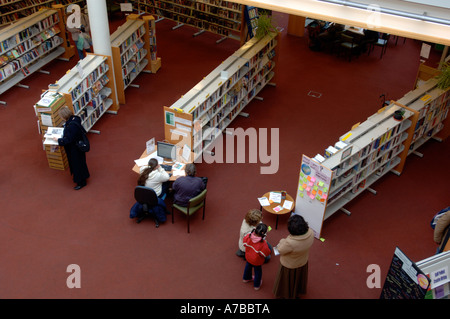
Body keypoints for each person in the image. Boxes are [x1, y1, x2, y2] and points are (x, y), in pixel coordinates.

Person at [272, 214, 314, 299]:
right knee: (298, 280)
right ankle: (296, 292)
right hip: (302, 261)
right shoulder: (311, 233)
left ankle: (286, 294)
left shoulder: (290, 242)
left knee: (287, 282)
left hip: (290, 265)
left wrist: (282, 240)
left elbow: (279, 250)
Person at [55, 106, 90, 190]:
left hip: (74, 149)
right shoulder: (75, 119)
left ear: (64, 116)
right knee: (81, 163)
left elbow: (69, 139)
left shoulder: (71, 126)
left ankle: (81, 182)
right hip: (79, 147)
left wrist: (58, 140)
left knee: (76, 165)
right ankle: (84, 177)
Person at [242, 223, 271, 290]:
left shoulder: (248, 236)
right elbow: (266, 253)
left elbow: (244, 242)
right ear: (263, 234)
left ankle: (246, 278)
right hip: (257, 261)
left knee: (247, 267)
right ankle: (256, 285)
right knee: (258, 272)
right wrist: (266, 243)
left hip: (248, 257)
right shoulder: (263, 244)